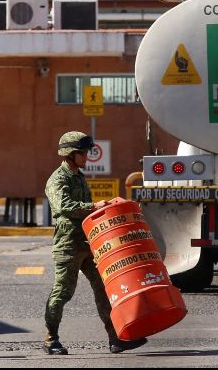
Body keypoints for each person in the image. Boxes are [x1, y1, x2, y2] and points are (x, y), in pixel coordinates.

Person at [43, 131, 148, 355]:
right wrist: (95, 206)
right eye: (83, 152)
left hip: (88, 242)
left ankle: (116, 338)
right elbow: (65, 206)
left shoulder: (79, 176)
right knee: (63, 292)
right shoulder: (57, 179)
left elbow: (87, 209)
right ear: (71, 154)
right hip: (68, 244)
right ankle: (51, 339)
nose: (87, 156)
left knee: (104, 289)